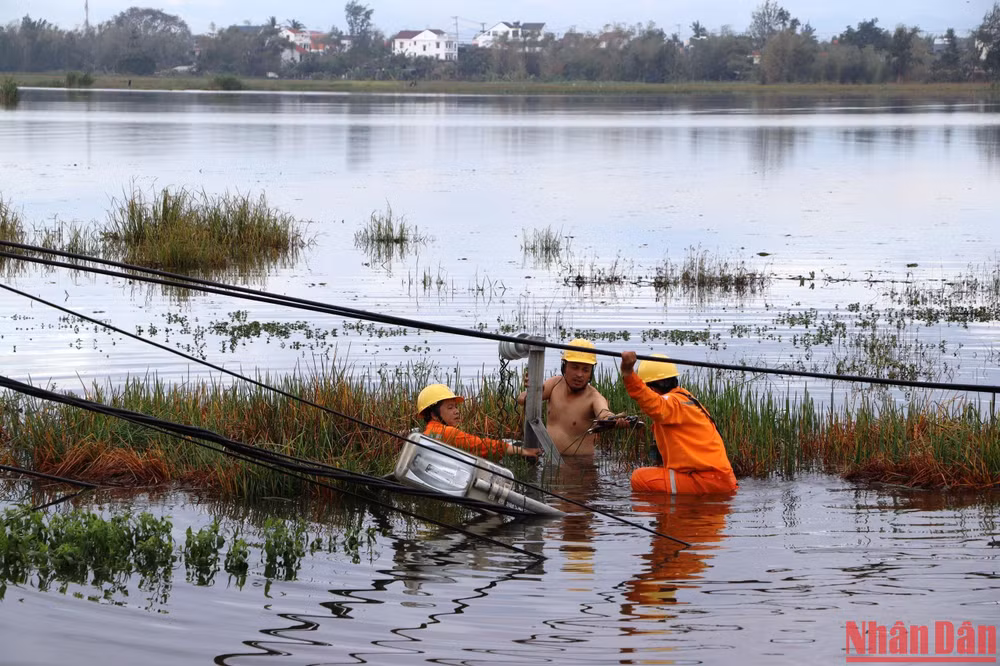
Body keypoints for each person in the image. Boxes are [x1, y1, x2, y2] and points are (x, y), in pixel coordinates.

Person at [619, 351, 738, 494]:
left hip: (707, 481)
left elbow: (655, 405)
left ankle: (669, 511)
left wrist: (628, 373)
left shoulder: (673, 403)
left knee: (639, 478)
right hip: (718, 479)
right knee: (658, 472)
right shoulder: (684, 399)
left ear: (650, 388)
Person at [517, 338, 623, 456]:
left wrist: (615, 420)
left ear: (590, 374)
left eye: (585, 370)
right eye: (574, 367)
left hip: (579, 467)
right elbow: (522, 399)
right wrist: (532, 389)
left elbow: (605, 414)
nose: (579, 374)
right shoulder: (554, 384)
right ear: (564, 367)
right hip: (549, 460)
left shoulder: (594, 397)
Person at [416, 383, 538, 460]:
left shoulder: (428, 433)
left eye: (455, 407)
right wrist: (522, 451)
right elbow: (483, 446)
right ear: (434, 415)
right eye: (450, 407)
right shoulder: (447, 433)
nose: (457, 411)